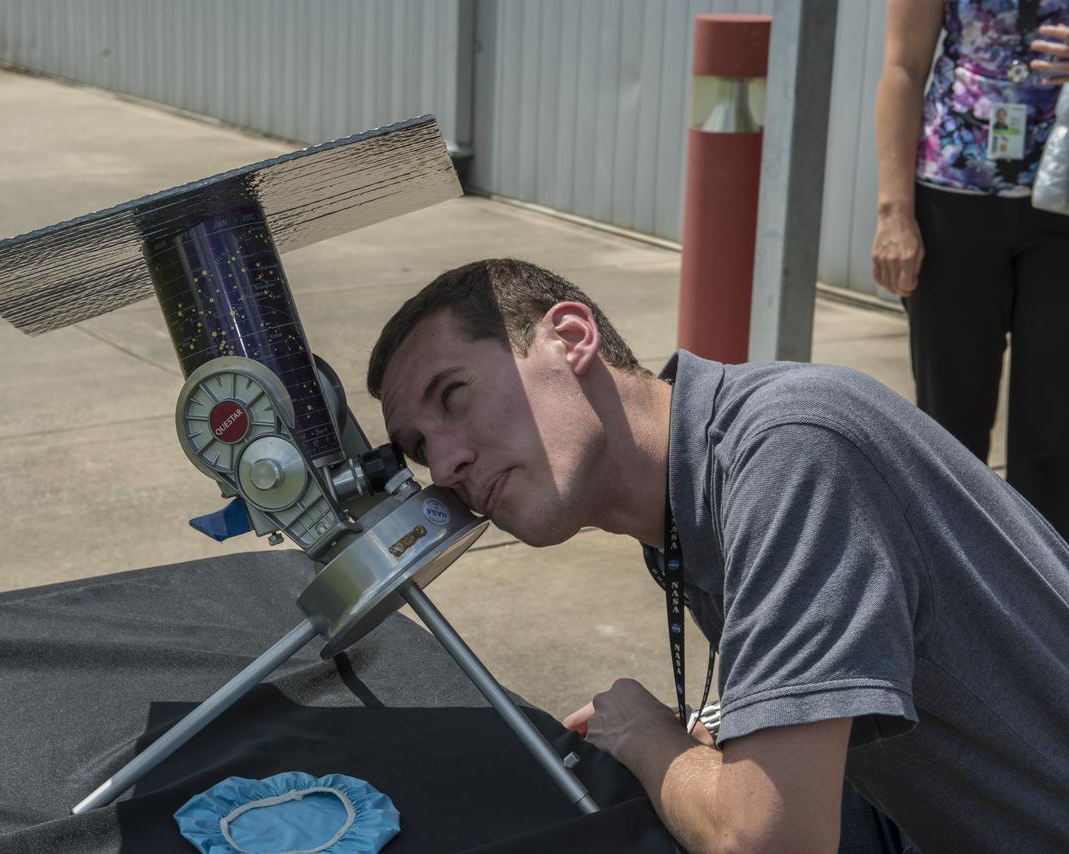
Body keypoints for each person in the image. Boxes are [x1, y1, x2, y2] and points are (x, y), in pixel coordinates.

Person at [367, 258, 1069, 852]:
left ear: (570, 337)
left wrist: (646, 734)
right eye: (420, 448)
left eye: (454, 396)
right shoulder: (686, 495)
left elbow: (769, 840)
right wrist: (734, 725)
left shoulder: (792, 452)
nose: (447, 464)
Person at [872, 1, 1069, 539]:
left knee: (1056, 433)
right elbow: (903, 68)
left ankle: (1046, 606)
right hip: (952, 194)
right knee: (948, 425)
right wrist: (895, 213)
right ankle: (951, 597)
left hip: (1064, 202)